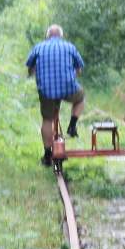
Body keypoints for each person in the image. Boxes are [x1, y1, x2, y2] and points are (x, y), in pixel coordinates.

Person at [25, 24, 85, 167]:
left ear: (47, 36)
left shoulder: (38, 47)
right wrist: (70, 78)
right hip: (68, 88)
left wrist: (34, 74)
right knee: (81, 97)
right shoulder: (70, 47)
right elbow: (79, 69)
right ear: (61, 35)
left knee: (47, 119)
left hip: (46, 90)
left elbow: (30, 69)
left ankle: (47, 156)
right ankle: (72, 125)